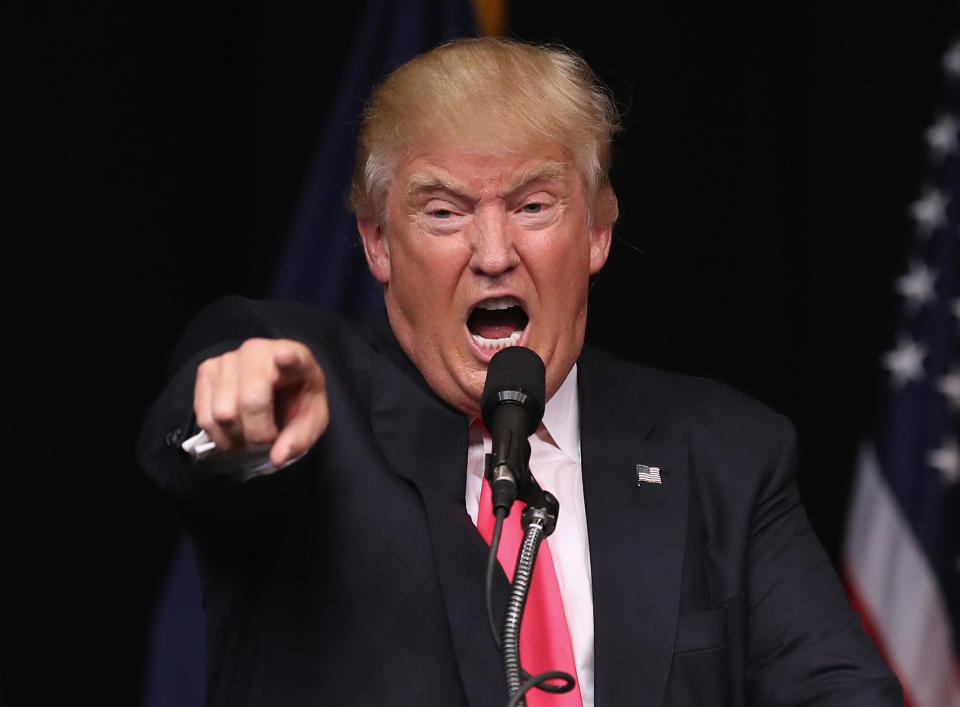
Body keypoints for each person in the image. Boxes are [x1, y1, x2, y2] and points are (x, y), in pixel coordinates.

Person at [138, 37, 902, 706]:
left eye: (534, 206)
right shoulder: (312, 401)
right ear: (376, 243)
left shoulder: (725, 453)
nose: (494, 252)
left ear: (598, 231)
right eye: (444, 212)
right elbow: (197, 451)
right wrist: (237, 430)